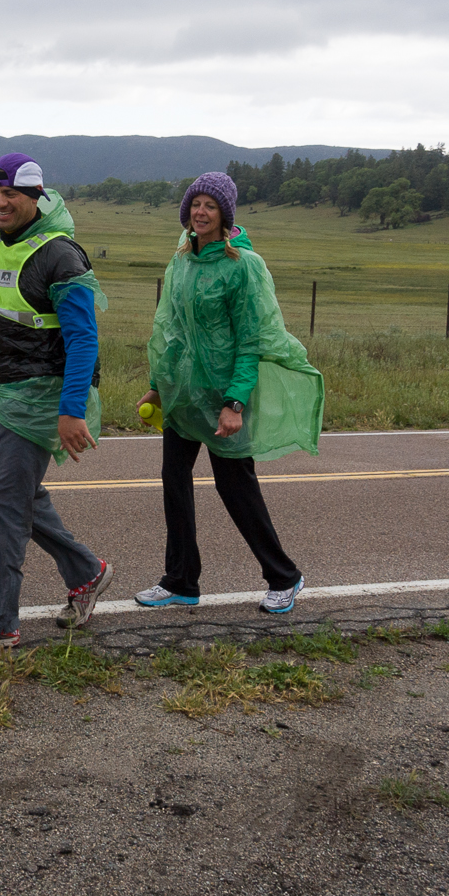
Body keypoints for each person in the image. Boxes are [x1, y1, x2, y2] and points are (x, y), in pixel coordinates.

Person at [0, 154, 113, 651]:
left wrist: (72, 410)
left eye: (10, 194)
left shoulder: (61, 256)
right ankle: (87, 572)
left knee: (4, 506)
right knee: (22, 499)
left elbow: (83, 341)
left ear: (35, 196)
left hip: (40, 400)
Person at [136, 171, 324, 615]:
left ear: (225, 215)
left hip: (226, 396)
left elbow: (251, 339)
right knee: (174, 483)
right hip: (183, 393)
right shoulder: (180, 261)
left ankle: (284, 576)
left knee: (234, 488)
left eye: (210, 206)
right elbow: (169, 329)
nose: (200, 212)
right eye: (195, 204)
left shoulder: (243, 266)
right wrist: (156, 386)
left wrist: (235, 402)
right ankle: (181, 580)